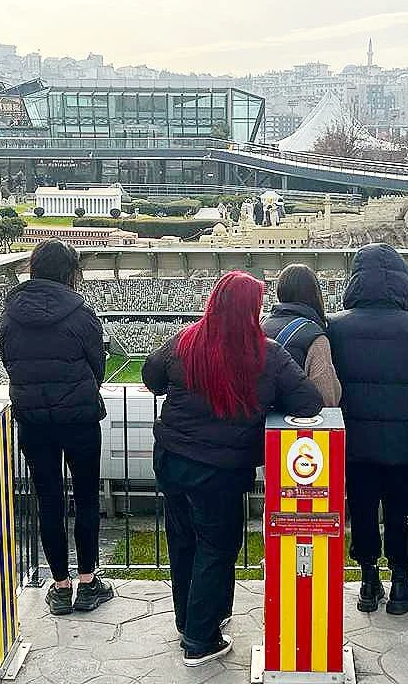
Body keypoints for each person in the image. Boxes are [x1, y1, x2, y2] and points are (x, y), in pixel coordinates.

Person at [143, 271, 323, 666]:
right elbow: (309, 402)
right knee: (217, 547)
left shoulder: (185, 341)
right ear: (252, 310)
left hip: (172, 459)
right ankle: (200, 640)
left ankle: (190, 620)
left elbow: (151, 376)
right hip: (220, 471)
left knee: (183, 541)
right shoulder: (268, 354)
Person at [0, 239, 113, 616]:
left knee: (48, 500)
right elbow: (97, 366)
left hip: (33, 420)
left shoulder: (10, 313)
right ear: (69, 272)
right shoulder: (81, 312)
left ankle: (60, 587)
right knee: (86, 499)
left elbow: (9, 362)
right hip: (79, 418)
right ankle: (88, 582)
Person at [328, 244, 408, 615]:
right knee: (400, 509)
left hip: (354, 440)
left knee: (361, 508)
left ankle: (367, 582)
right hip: (403, 441)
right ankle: (401, 585)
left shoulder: (334, 328)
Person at [261, 264, 341, 406]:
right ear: (315, 294)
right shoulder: (314, 336)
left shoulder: (261, 326)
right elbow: (327, 398)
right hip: (295, 417)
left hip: (260, 416)